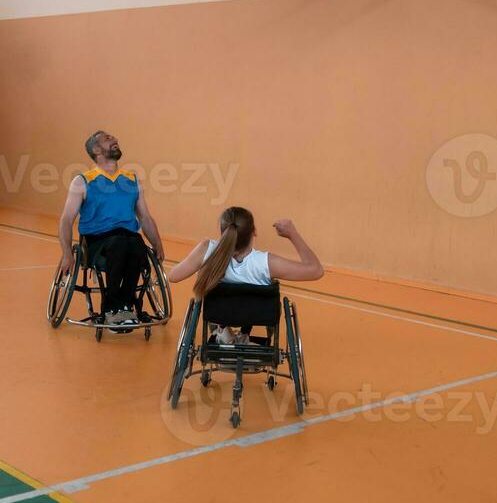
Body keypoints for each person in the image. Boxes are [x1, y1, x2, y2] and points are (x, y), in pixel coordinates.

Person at [57, 130, 165, 327]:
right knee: (121, 242)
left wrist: (157, 243)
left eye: (114, 138)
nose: (114, 139)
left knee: (136, 243)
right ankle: (111, 308)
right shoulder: (83, 181)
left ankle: (125, 306)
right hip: (97, 240)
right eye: (108, 139)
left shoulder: (132, 179)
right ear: (96, 149)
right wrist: (66, 253)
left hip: (128, 237)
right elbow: (66, 220)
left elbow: (145, 217)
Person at [168, 207, 324, 343]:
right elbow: (316, 270)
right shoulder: (266, 263)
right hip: (255, 315)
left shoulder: (207, 249)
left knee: (208, 281)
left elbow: (173, 276)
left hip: (218, 312)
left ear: (223, 232)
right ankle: (243, 334)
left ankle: (222, 331)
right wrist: (293, 234)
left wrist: (202, 264)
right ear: (254, 231)